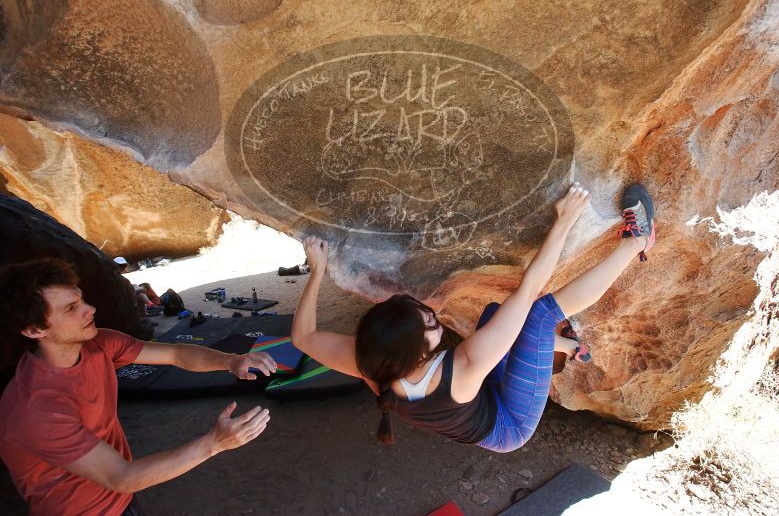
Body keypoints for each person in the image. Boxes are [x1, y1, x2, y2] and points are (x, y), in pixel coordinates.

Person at [291, 182, 655, 453]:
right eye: (431, 325)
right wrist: (563, 222)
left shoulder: (374, 366)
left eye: (421, 311)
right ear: (419, 354)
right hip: (509, 424)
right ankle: (637, 241)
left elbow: (303, 339)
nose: (433, 316)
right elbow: (529, 290)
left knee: (496, 316)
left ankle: (565, 347)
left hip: (478, 397)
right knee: (540, 314)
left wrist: (316, 272)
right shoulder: (462, 365)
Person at [0, 259, 278, 515]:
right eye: (71, 308)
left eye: (80, 299)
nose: (90, 309)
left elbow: (176, 354)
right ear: (35, 330)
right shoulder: (36, 409)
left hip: (122, 501)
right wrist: (214, 443)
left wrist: (231, 361)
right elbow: (122, 477)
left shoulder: (100, 344)